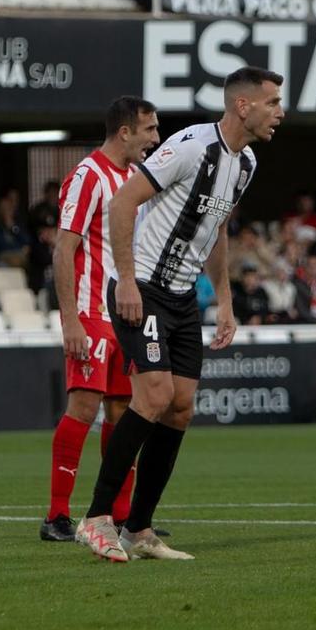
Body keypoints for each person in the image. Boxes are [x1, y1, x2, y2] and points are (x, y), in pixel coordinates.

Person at [76, 68, 284, 564]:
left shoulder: (246, 162)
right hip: (142, 286)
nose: (280, 112)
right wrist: (126, 279)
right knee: (155, 393)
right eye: (273, 102)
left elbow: (216, 228)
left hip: (183, 296)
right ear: (243, 106)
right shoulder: (191, 145)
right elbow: (123, 203)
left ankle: (139, 529)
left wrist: (225, 301)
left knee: (181, 406)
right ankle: (97, 517)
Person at [41, 95, 160, 543]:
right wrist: (69, 319)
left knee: (123, 412)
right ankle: (56, 515)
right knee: (85, 406)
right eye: (149, 130)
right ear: (125, 131)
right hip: (91, 312)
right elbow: (63, 249)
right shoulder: (86, 176)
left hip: (125, 313)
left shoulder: (133, 179)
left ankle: (121, 515)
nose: (155, 139)